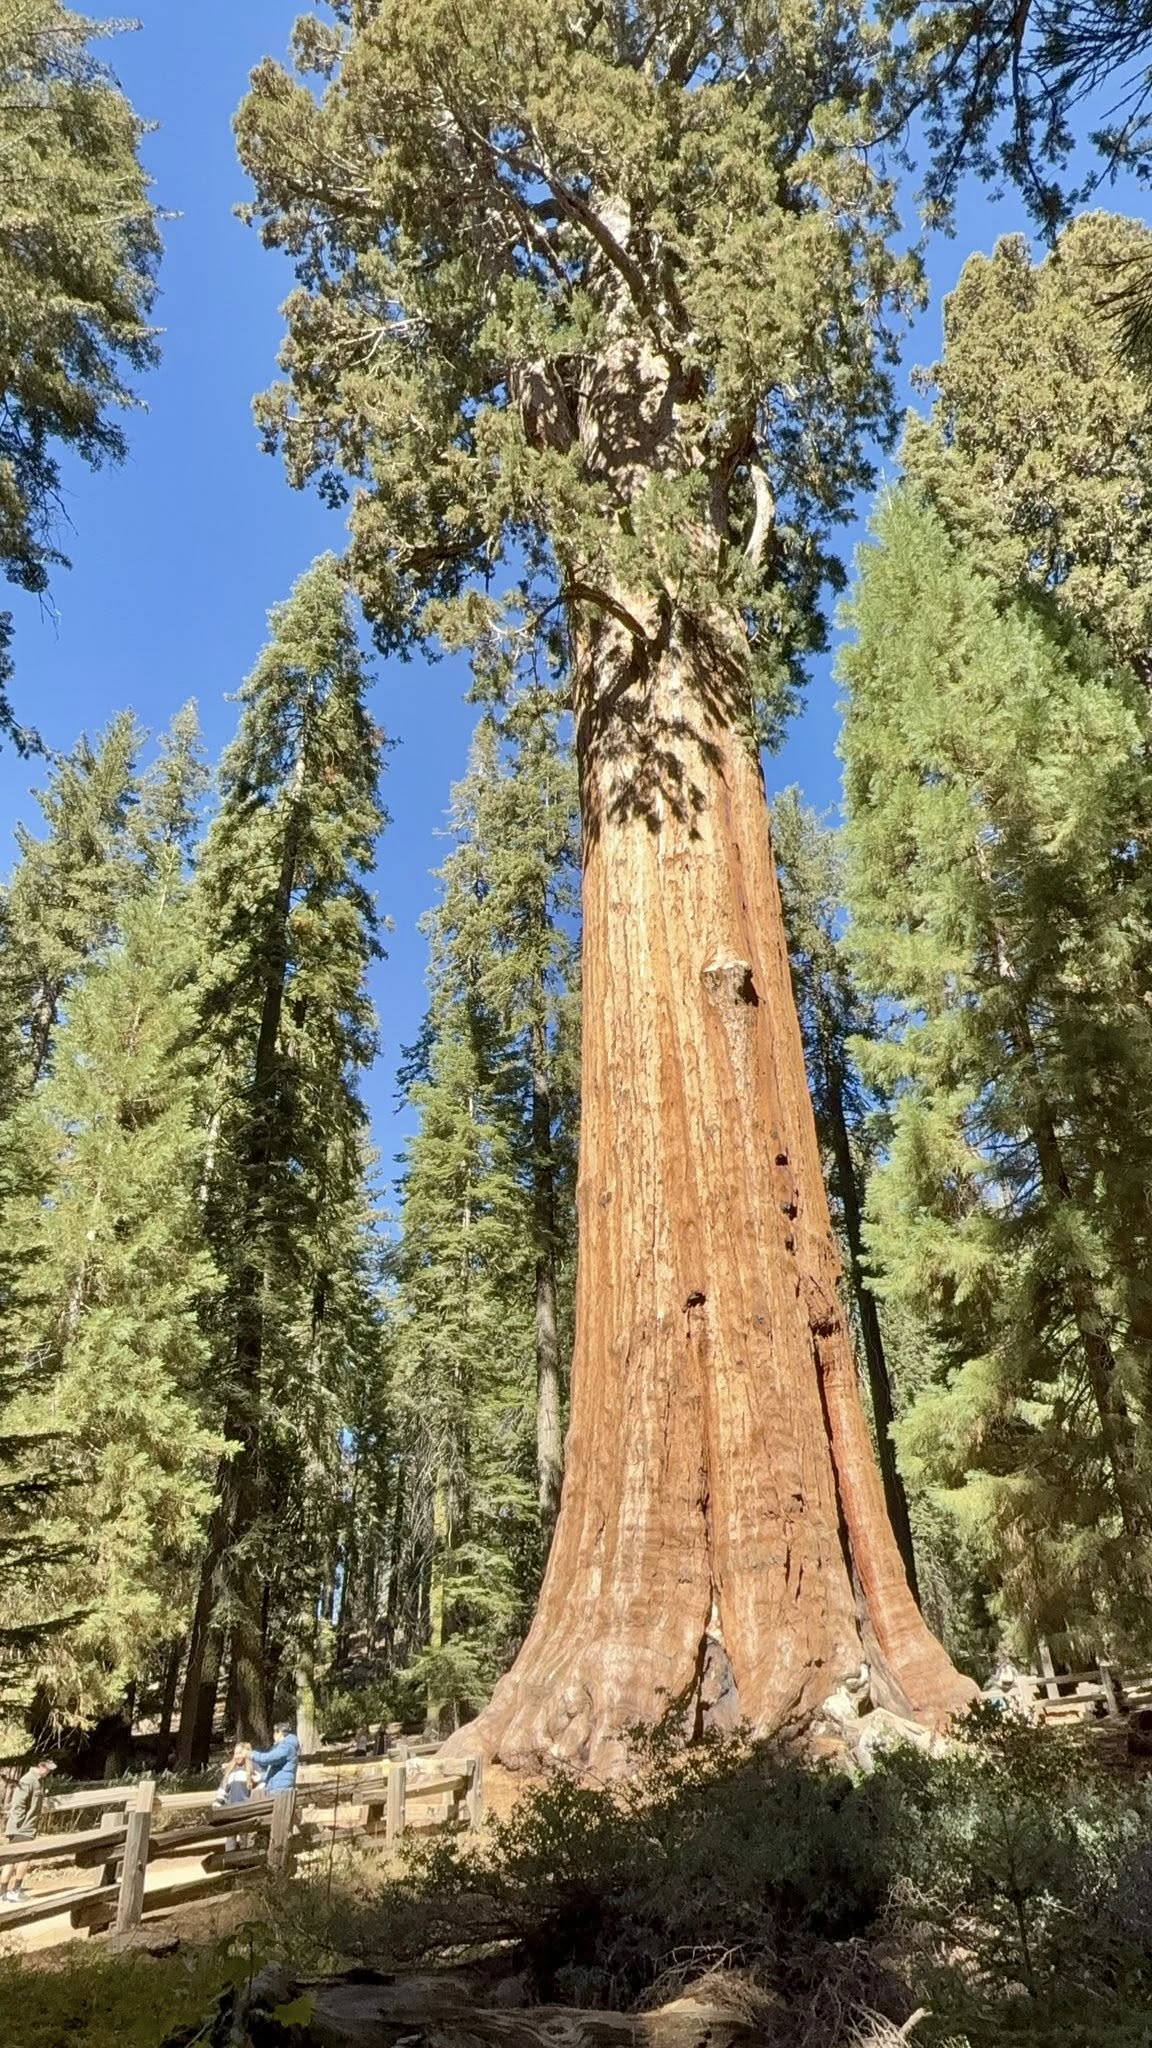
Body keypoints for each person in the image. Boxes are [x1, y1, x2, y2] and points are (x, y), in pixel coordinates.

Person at [1, 1758, 57, 1905]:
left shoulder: (39, 1781)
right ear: (40, 1766)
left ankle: (4, 1891)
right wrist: (20, 1824)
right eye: (48, 1768)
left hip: (28, 1826)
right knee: (21, 1859)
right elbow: (19, 1804)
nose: (49, 1772)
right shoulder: (28, 1780)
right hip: (23, 1828)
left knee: (15, 1859)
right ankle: (12, 1890)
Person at [219, 1742, 258, 1855]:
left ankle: (245, 1862)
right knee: (230, 1836)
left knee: (244, 1837)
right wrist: (219, 1801)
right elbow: (223, 1788)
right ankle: (229, 1861)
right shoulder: (230, 1770)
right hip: (231, 1809)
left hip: (246, 1810)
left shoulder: (253, 1768)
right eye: (235, 1754)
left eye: (240, 1753)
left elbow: (259, 1787)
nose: (237, 1756)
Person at [250, 1722, 300, 1795]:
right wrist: (261, 1777)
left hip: (281, 1790)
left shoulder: (286, 1748)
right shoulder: (285, 1747)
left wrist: (251, 1754)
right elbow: (278, 1770)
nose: (273, 1736)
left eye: (274, 1733)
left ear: (279, 1732)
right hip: (279, 1788)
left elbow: (268, 1758)